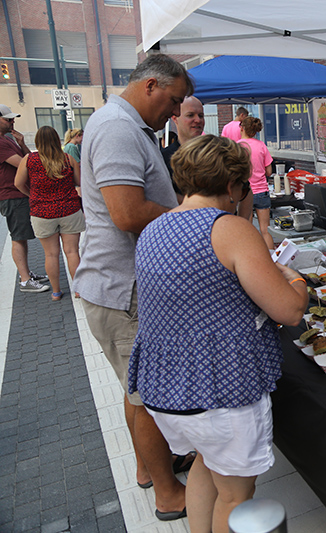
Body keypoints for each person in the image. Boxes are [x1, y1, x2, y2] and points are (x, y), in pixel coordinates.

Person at [129, 135, 308, 532]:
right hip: (218, 391)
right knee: (234, 496)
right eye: (243, 186)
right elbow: (290, 310)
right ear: (231, 186)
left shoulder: (155, 228)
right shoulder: (228, 228)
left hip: (166, 388)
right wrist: (293, 278)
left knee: (205, 468)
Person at [73, 54, 195, 522]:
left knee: (134, 390)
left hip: (120, 289)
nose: (176, 109)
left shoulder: (126, 125)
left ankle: (150, 467)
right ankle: (167, 494)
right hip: (125, 294)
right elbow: (127, 214)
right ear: (150, 86)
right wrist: (192, 219)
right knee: (149, 396)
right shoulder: (119, 128)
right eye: (174, 99)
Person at [14, 126, 84, 301]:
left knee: (51, 254)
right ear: (56, 140)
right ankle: (78, 290)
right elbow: (79, 182)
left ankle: (56, 292)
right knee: (72, 252)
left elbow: (18, 183)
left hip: (42, 212)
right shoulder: (68, 159)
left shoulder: (29, 160)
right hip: (69, 209)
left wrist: (32, 194)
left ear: (38, 141)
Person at [0, 103, 50, 293]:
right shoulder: (2, 142)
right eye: (7, 119)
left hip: (16, 194)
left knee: (22, 236)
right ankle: (25, 280)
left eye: (12, 118)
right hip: (12, 195)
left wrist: (21, 144)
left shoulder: (9, 139)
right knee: (18, 237)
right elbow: (25, 165)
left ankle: (26, 274)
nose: (12, 122)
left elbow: (30, 159)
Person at [238, 116, 275, 250]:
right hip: (262, 191)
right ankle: (272, 259)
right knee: (265, 230)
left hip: (244, 193)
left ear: (242, 128)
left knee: (246, 230)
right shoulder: (261, 145)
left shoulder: (237, 147)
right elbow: (269, 172)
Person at [161, 95, 206, 202]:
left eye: (201, 115)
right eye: (190, 115)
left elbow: (243, 188)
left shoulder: (215, 153)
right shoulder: (163, 158)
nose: (197, 120)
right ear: (175, 118)